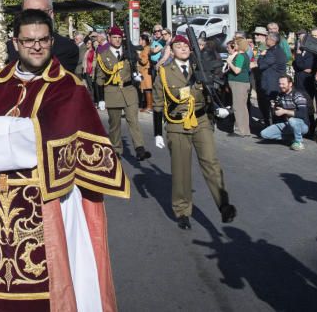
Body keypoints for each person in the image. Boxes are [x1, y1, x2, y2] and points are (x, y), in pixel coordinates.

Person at [0, 8, 130, 311]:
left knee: (51, 287)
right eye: (28, 41)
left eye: (43, 40)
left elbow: (44, 136)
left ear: (52, 40)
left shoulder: (68, 87)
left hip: (48, 204)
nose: (37, 47)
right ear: (15, 42)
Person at [152, 34, 237, 229]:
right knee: (181, 170)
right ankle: (182, 211)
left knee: (211, 162)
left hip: (200, 121)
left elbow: (212, 90)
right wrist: (157, 132)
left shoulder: (199, 67)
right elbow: (158, 104)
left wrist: (218, 107)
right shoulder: (164, 73)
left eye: (185, 46)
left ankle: (223, 204)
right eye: (178, 46)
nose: (182, 48)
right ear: (171, 51)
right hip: (177, 124)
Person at [94, 25, 150, 161]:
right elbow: (99, 79)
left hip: (129, 90)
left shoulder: (128, 53)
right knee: (115, 124)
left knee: (133, 120)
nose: (118, 40)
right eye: (115, 37)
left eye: (119, 38)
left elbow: (136, 67)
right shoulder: (103, 56)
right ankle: (116, 149)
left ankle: (139, 148)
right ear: (109, 38)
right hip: (112, 91)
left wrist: (137, 75)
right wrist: (100, 98)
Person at [5, 0, 79, 73]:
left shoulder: (67, 48)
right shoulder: (8, 48)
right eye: (29, 13)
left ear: (51, 14)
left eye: (40, 13)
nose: (34, 17)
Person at [259, 75, 309, 150]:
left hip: (302, 125)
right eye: (279, 84)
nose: (281, 86)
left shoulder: (298, 95)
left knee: (292, 120)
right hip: (287, 124)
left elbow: (302, 114)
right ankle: (291, 138)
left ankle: (299, 142)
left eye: (283, 84)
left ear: (290, 84)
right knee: (264, 134)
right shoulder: (280, 96)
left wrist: (284, 111)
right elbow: (277, 114)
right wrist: (274, 108)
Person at [254, 32, 287, 126]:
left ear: (272, 41)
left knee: (270, 107)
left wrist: (261, 56)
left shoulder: (273, 52)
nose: (265, 40)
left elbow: (261, 65)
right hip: (273, 82)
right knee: (271, 106)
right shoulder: (277, 50)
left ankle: (271, 127)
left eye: (267, 38)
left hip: (271, 84)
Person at [225, 36, 251, 137]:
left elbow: (237, 70)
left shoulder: (240, 56)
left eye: (235, 44)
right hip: (243, 83)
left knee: (238, 107)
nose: (233, 45)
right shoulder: (244, 55)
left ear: (239, 45)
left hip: (239, 83)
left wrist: (229, 62)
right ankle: (245, 130)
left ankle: (239, 130)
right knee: (243, 107)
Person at [137, 32, 154, 113]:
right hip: (144, 71)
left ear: (144, 41)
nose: (139, 42)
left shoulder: (146, 49)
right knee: (147, 89)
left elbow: (144, 61)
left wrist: (138, 56)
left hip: (146, 72)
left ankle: (149, 107)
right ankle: (148, 106)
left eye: (140, 40)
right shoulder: (145, 48)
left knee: (148, 89)